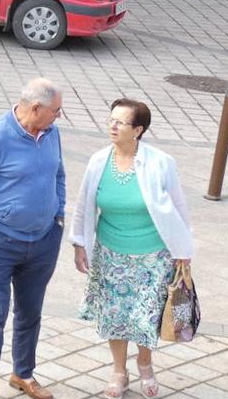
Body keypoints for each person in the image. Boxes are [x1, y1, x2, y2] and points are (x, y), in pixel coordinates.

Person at [71, 99, 194, 399]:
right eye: (111, 120)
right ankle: (118, 370)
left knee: (145, 316)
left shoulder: (161, 162)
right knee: (114, 315)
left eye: (121, 122)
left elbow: (179, 208)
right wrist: (79, 243)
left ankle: (145, 363)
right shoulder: (99, 161)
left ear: (137, 130)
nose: (112, 126)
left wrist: (184, 250)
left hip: (153, 256)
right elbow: (83, 204)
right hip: (110, 253)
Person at [0, 78, 66, 399]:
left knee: (30, 312)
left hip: (44, 240)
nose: (58, 117)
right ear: (35, 108)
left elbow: (58, 174)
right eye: (55, 111)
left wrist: (58, 216)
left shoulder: (51, 134)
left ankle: (23, 374)